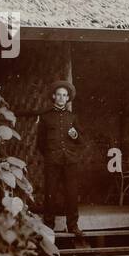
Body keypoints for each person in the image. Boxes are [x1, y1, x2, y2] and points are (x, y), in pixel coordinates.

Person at [35, 79, 85, 241]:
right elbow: (40, 143)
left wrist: (75, 136)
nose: (62, 98)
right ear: (54, 97)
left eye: (65, 95)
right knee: (51, 192)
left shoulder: (73, 117)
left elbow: (82, 141)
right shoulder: (45, 118)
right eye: (59, 95)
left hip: (70, 161)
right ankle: (49, 226)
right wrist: (51, 155)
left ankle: (73, 225)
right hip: (53, 160)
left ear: (68, 98)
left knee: (71, 193)